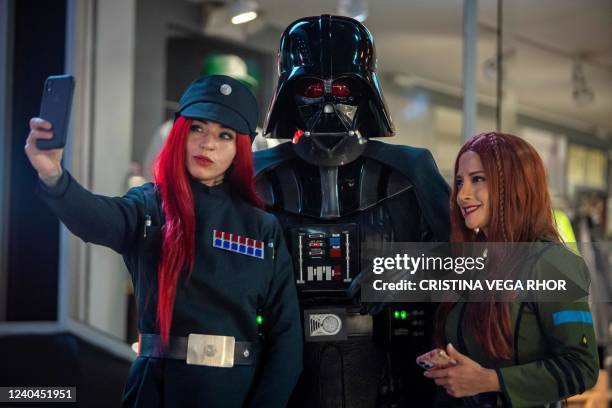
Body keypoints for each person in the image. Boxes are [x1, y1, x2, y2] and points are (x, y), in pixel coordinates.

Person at [25, 74, 302, 407]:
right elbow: (95, 218)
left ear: (240, 147)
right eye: (197, 128)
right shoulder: (149, 206)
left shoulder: (262, 227)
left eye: (224, 135)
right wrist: (53, 175)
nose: (207, 144)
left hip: (233, 392)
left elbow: (286, 338)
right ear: (179, 133)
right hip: (156, 391)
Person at [254, 15, 450, 407]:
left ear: (364, 91)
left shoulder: (410, 171)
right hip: (285, 376)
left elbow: (472, 263)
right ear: (291, 92)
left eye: (341, 87)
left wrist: (403, 272)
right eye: (312, 88)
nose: (328, 102)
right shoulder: (259, 176)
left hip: (391, 376)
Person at [426, 132, 599, 407]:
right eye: (459, 181)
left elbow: (582, 367)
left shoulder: (550, 263)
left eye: (478, 179)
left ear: (515, 185)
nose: (462, 195)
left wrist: (490, 380)